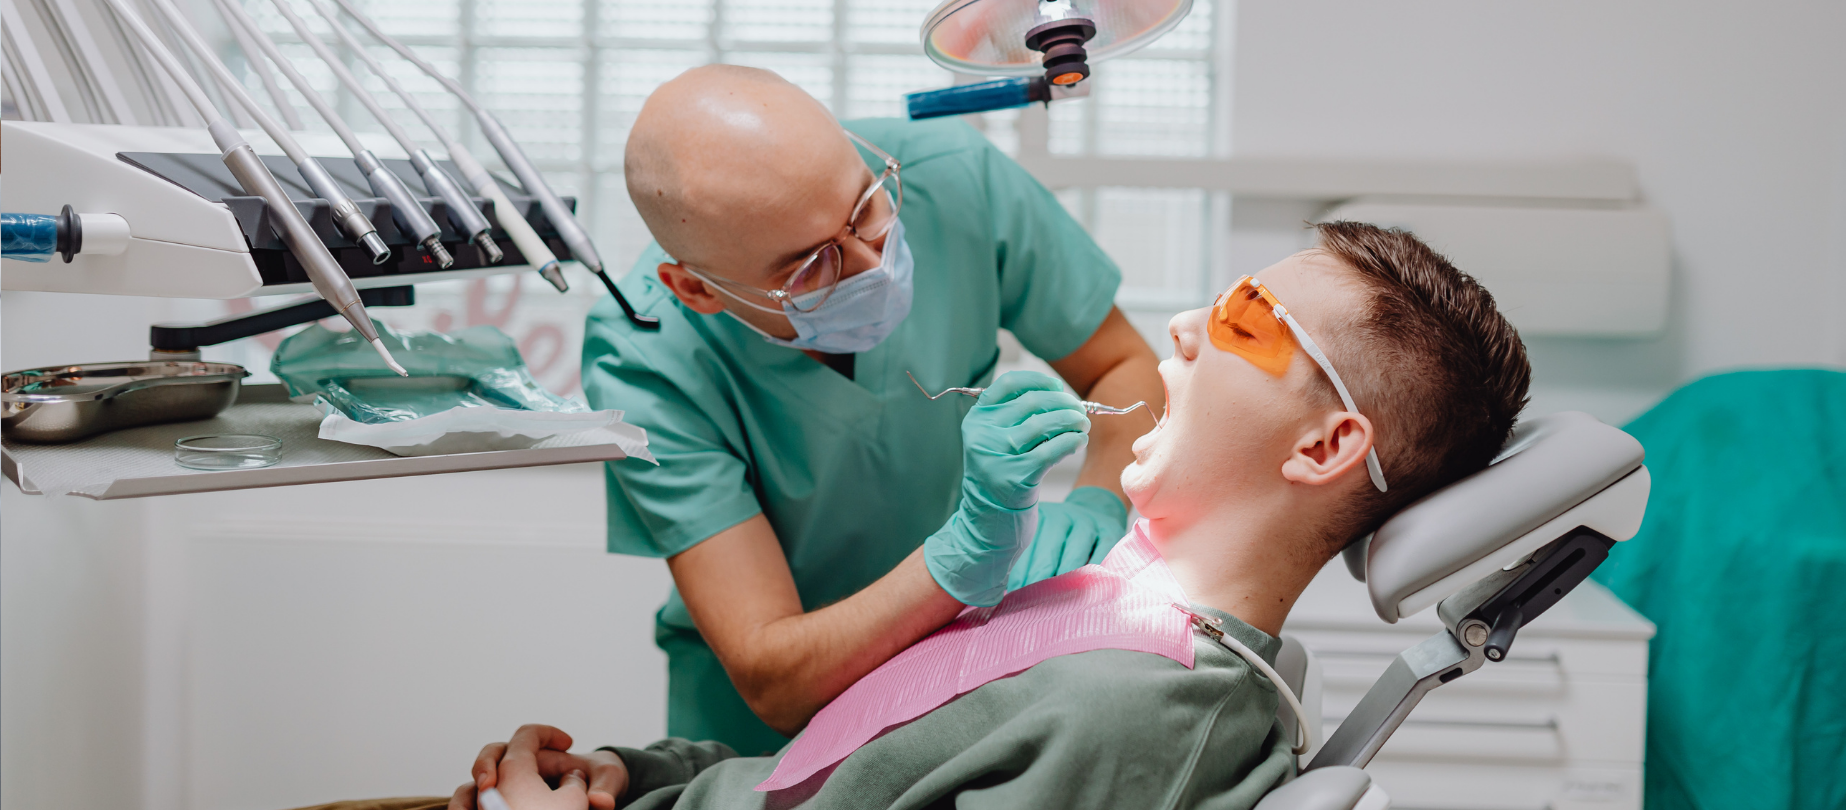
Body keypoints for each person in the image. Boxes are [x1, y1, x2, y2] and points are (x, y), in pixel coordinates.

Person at [407, 221, 1533, 810]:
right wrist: (629, 773)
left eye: (1248, 319)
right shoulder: (1100, 604)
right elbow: (825, 772)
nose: (1185, 322)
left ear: (1328, 445)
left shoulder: (1148, 719)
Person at [584, 66, 1164, 754]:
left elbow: (1123, 366)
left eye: (864, 209)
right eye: (809, 267)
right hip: (773, 737)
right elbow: (774, 676)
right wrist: (963, 553)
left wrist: (1097, 503)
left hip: (969, 672)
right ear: (696, 290)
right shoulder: (644, 358)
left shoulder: (952, 176)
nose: (873, 263)